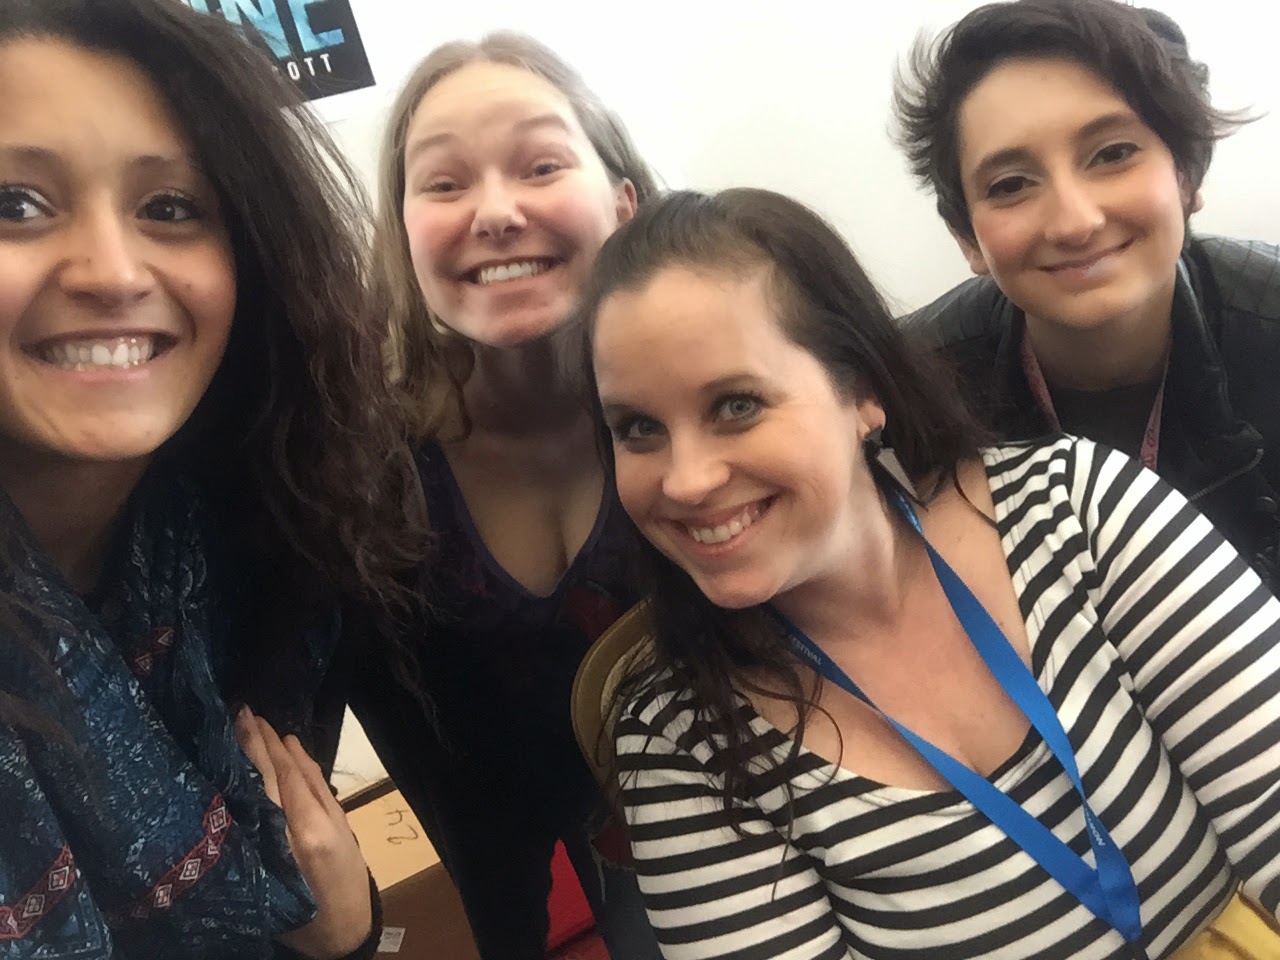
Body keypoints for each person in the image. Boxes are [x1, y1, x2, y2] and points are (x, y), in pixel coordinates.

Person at [575, 186, 1280, 959]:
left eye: (736, 405)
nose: (685, 481)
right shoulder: (684, 744)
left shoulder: (1077, 513)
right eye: (638, 428)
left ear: (862, 392)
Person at [0, 0, 426, 956]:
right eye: (16, 203)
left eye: (169, 207)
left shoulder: (265, 547)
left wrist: (349, 931)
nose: (113, 272)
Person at [348, 32, 663, 960]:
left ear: (623, 201)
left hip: (704, 829)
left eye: (541, 165)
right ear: (403, 234)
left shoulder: (708, 407)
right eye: (444, 183)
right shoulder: (358, 469)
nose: (495, 213)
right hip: (488, 851)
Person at [893, 0, 1280, 591]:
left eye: (1113, 153)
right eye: (1011, 185)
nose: (1075, 222)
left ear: (1186, 176)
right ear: (967, 238)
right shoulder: (912, 390)